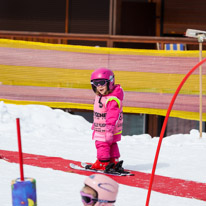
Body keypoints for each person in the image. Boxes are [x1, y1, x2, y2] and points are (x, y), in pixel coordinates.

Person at [89, 68, 124, 170]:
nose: (99, 86)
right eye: (96, 83)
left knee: (101, 145)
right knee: (112, 144)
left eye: (102, 83)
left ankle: (102, 162)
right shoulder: (103, 96)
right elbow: (101, 113)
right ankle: (113, 160)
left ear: (110, 82)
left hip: (107, 129)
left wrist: (109, 129)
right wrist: (95, 123)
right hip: (106, 128)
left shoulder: (111, 99)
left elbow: (112, 115)